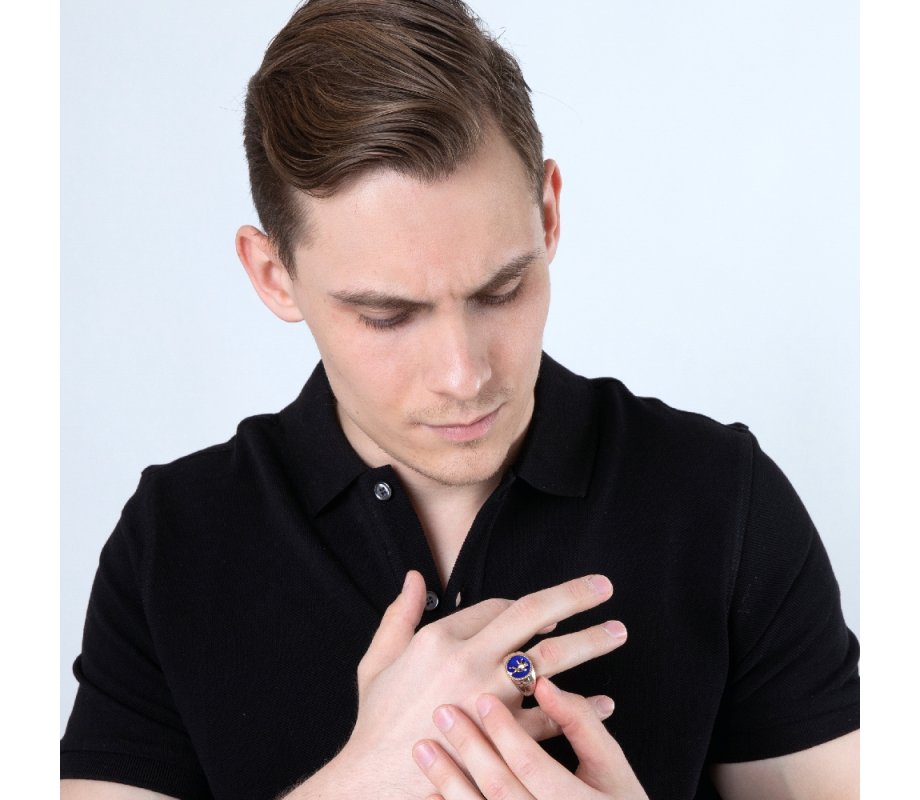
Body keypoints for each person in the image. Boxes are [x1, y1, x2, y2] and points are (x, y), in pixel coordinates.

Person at [60, 1, 859, 798]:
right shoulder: (175, 539)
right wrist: (362, 780)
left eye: (501, 289)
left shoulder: (723, 499)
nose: (463, 373)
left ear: (548, 214)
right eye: (387, 316)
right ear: (274, 275)